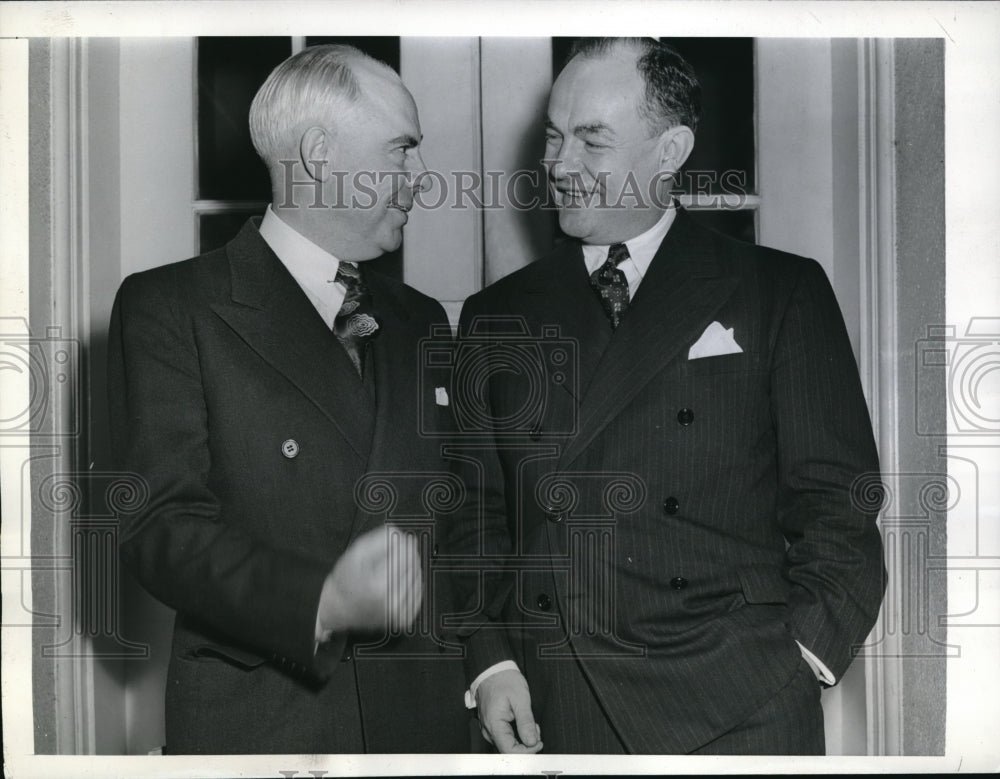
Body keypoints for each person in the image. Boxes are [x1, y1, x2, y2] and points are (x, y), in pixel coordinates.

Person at [446, 37, 886, 755]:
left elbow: (840, 502)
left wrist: (801, 659)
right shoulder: (498, 312)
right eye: (554, 137)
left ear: (669, 150)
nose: (559, 165)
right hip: (560, 702)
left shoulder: (779, 289)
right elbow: (473, 517)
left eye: (592, 141)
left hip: (741, 704)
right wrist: (490, 658)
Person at [107, 44, 468, 754]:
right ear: (321, 153)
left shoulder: (422, 317)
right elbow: (160, 529)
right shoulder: (172, 306)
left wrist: (489, 668)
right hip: (266, 727)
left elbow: (455, 526)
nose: (421, 181)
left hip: (422, 726)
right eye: (402, 151)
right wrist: (322, 600)